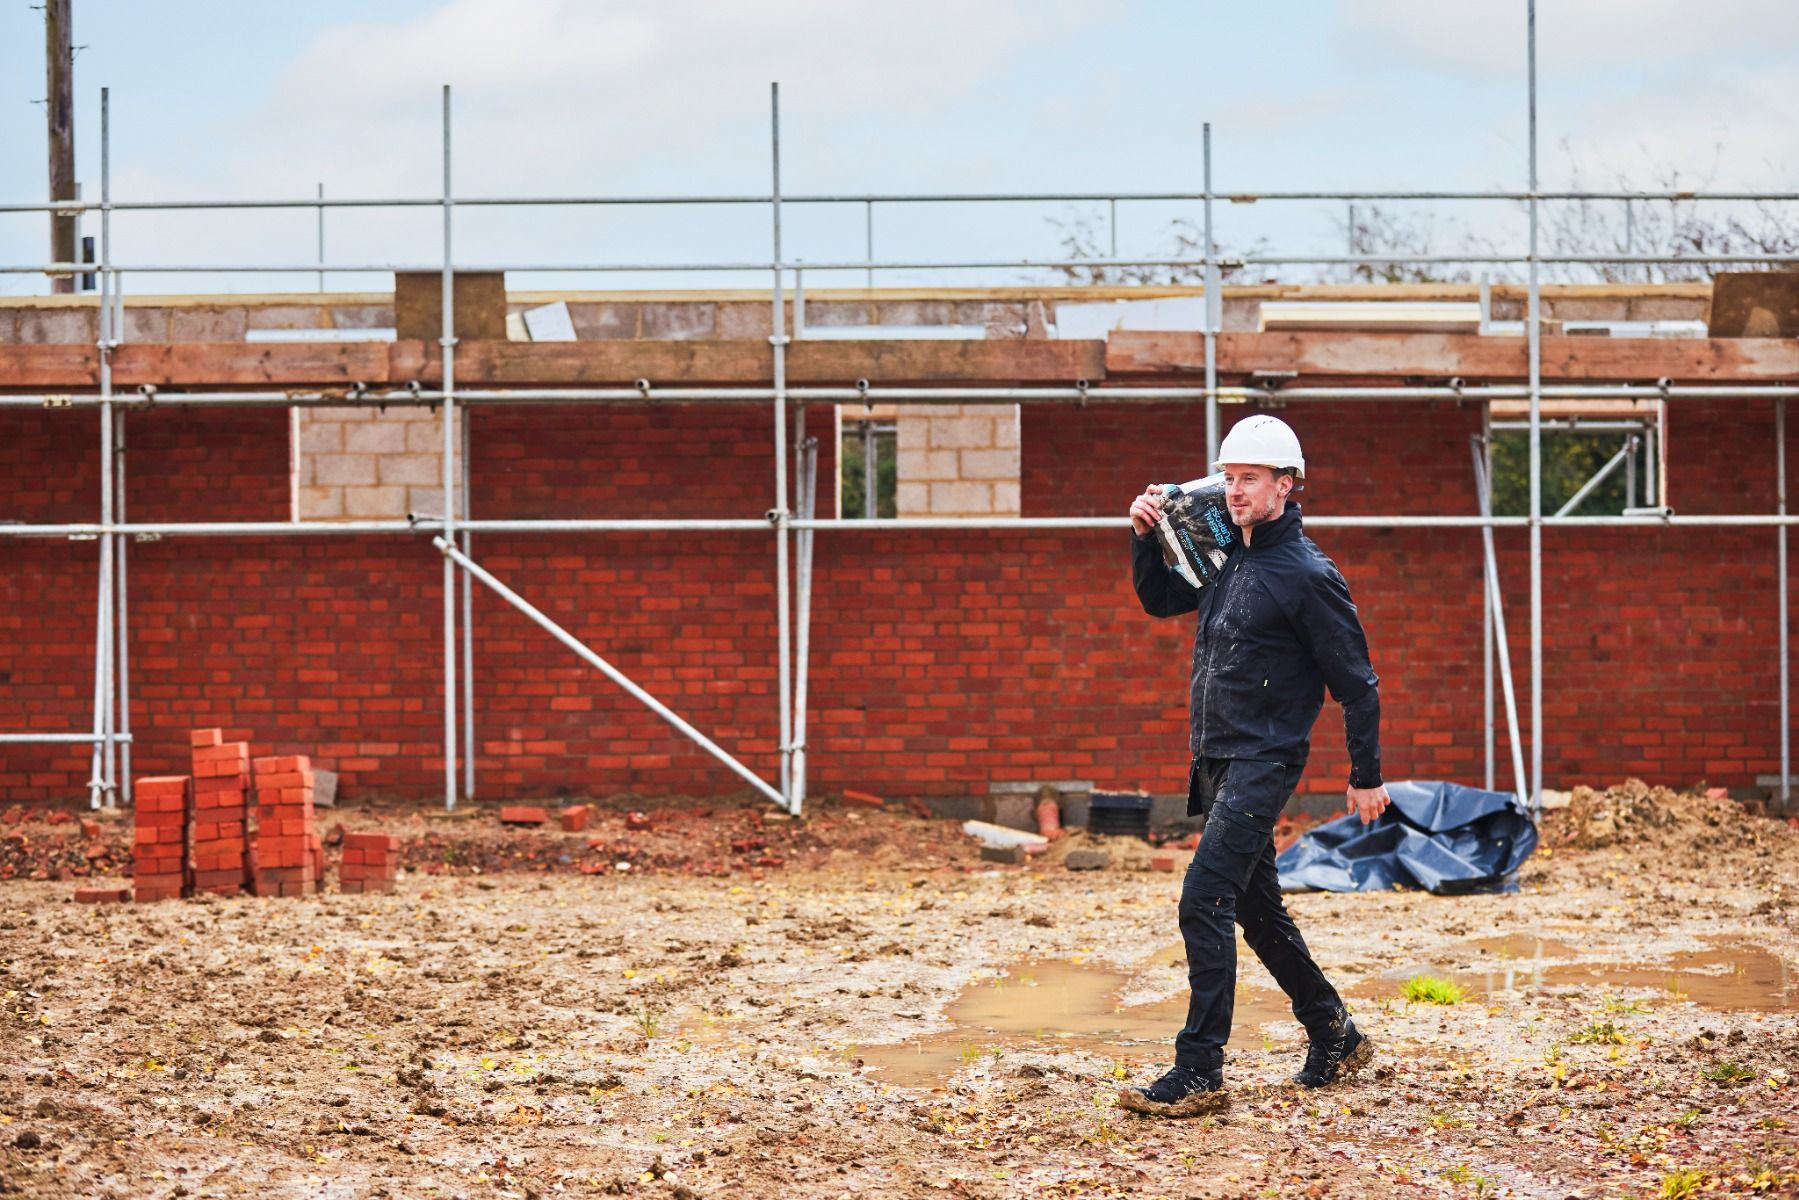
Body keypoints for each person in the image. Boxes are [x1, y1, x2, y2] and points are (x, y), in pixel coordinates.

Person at [1117, 413, 1390, 1118]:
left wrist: (1365, 775)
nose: (1234, 491)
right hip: (1215, 760)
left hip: (1262, 763)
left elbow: (1356, 682)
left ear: (1286, 485)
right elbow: (1158, 601)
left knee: (1201, 898)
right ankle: (1333, 1030)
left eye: (1249, 479)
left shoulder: (1306, 573)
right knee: (1252, 907)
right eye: (1229, 477)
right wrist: (1143, 537)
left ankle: (1199, 1067)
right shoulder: (1222, 556)